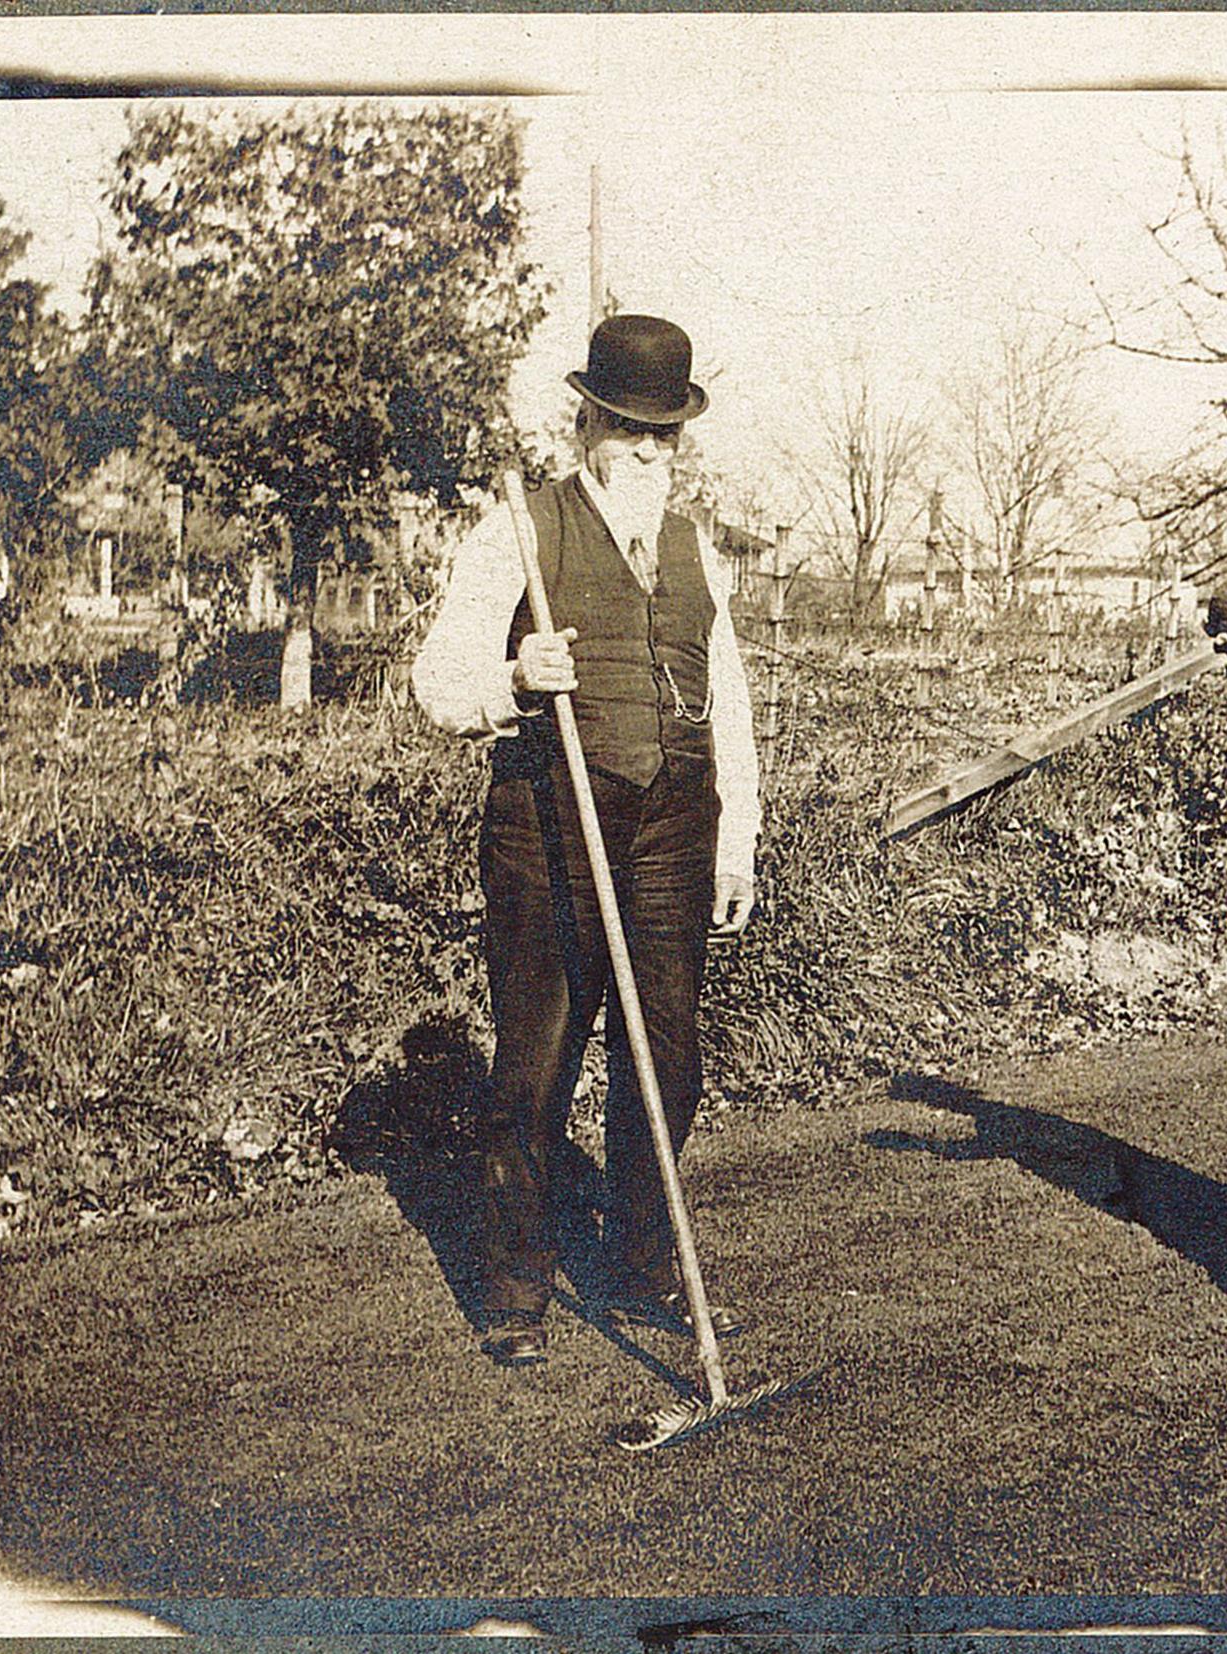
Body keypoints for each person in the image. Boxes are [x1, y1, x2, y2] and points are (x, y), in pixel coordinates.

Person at [412, 314, 761, 1366]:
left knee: (671, 1061)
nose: (651, 452)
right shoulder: (517, 528)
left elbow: (729, 698)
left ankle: (648, 1265)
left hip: (671, 826)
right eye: (630, 431)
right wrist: (515, 679)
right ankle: (516, 1288)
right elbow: (436, 683)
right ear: (588, 425)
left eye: (668, 433)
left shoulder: (698, 547)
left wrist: (736, 838)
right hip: (549, 823)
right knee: (535, 1069)